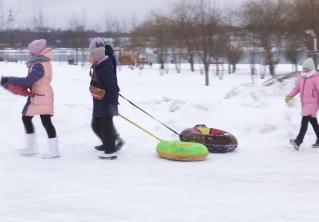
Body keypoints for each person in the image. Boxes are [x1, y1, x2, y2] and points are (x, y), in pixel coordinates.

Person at [0, 39, 60, 158]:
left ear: (36, 52)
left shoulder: (39, 65)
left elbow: (28, 80)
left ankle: (54, 150)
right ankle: (31, 147)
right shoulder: (40, 62)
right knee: (26, 118)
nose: (29, 53)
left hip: (42, 95)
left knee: (46, 122)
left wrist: (9, 79)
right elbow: (30, 82)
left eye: (31, 51)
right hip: (38, 94)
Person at [88, 37, 123, 157]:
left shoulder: (105, 64)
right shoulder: (98, 63)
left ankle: (110, 150)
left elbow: (111, 84)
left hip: (106, 100)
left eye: (91, 51)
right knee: (96, 124)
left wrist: (113, 102)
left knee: (105, 126)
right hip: (99, 98)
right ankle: (108, 144)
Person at [286, 57, 319, 150]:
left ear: (311, 68)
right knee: (313, 121)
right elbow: (296, 89)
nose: (304, 69)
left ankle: (298, 141)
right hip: (305, 104)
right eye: (304, 68)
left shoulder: (316, 78)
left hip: (313, 103)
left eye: (307, 68)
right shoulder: (301, 78)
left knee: (304, 121)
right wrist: (289, 96)